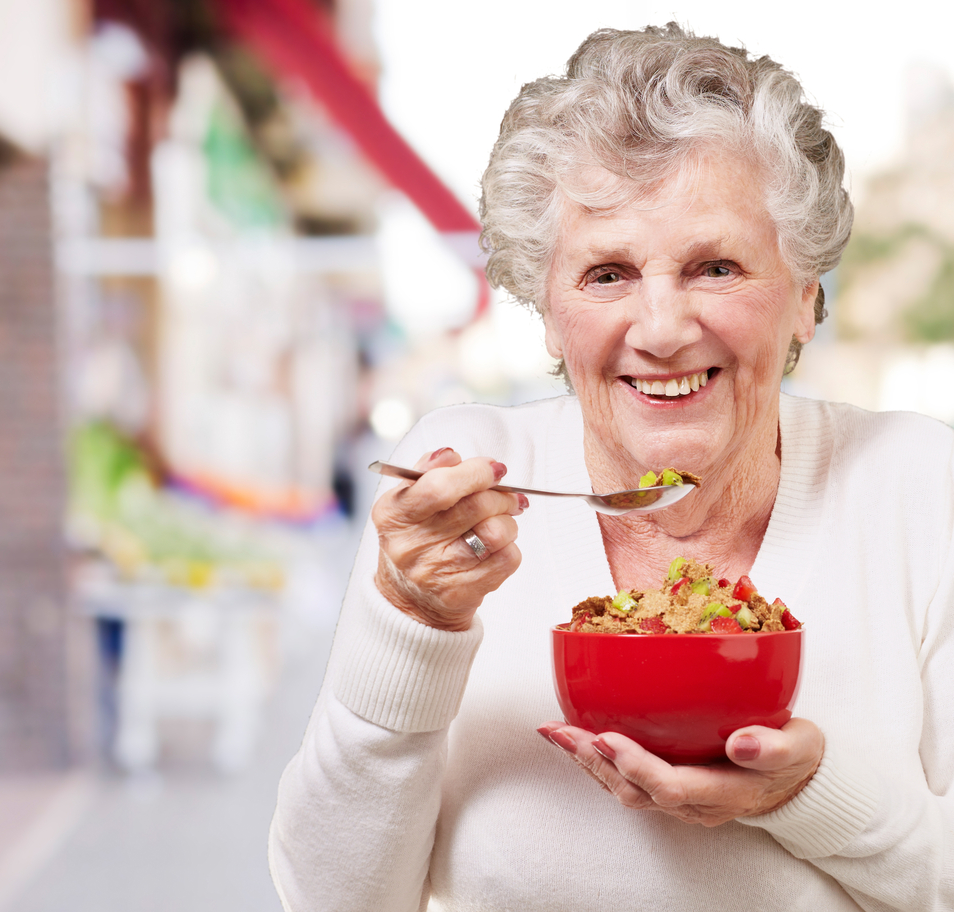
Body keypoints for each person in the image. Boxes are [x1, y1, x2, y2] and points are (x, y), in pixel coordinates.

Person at [269, 23, 954, 911]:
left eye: (717, 266)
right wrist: (410, 620)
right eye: (606, 274)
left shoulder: (919, 487)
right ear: (548, 312)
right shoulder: (467, 480)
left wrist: (805, 798)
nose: (663, 328)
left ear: (806, 299)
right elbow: (332, 897)